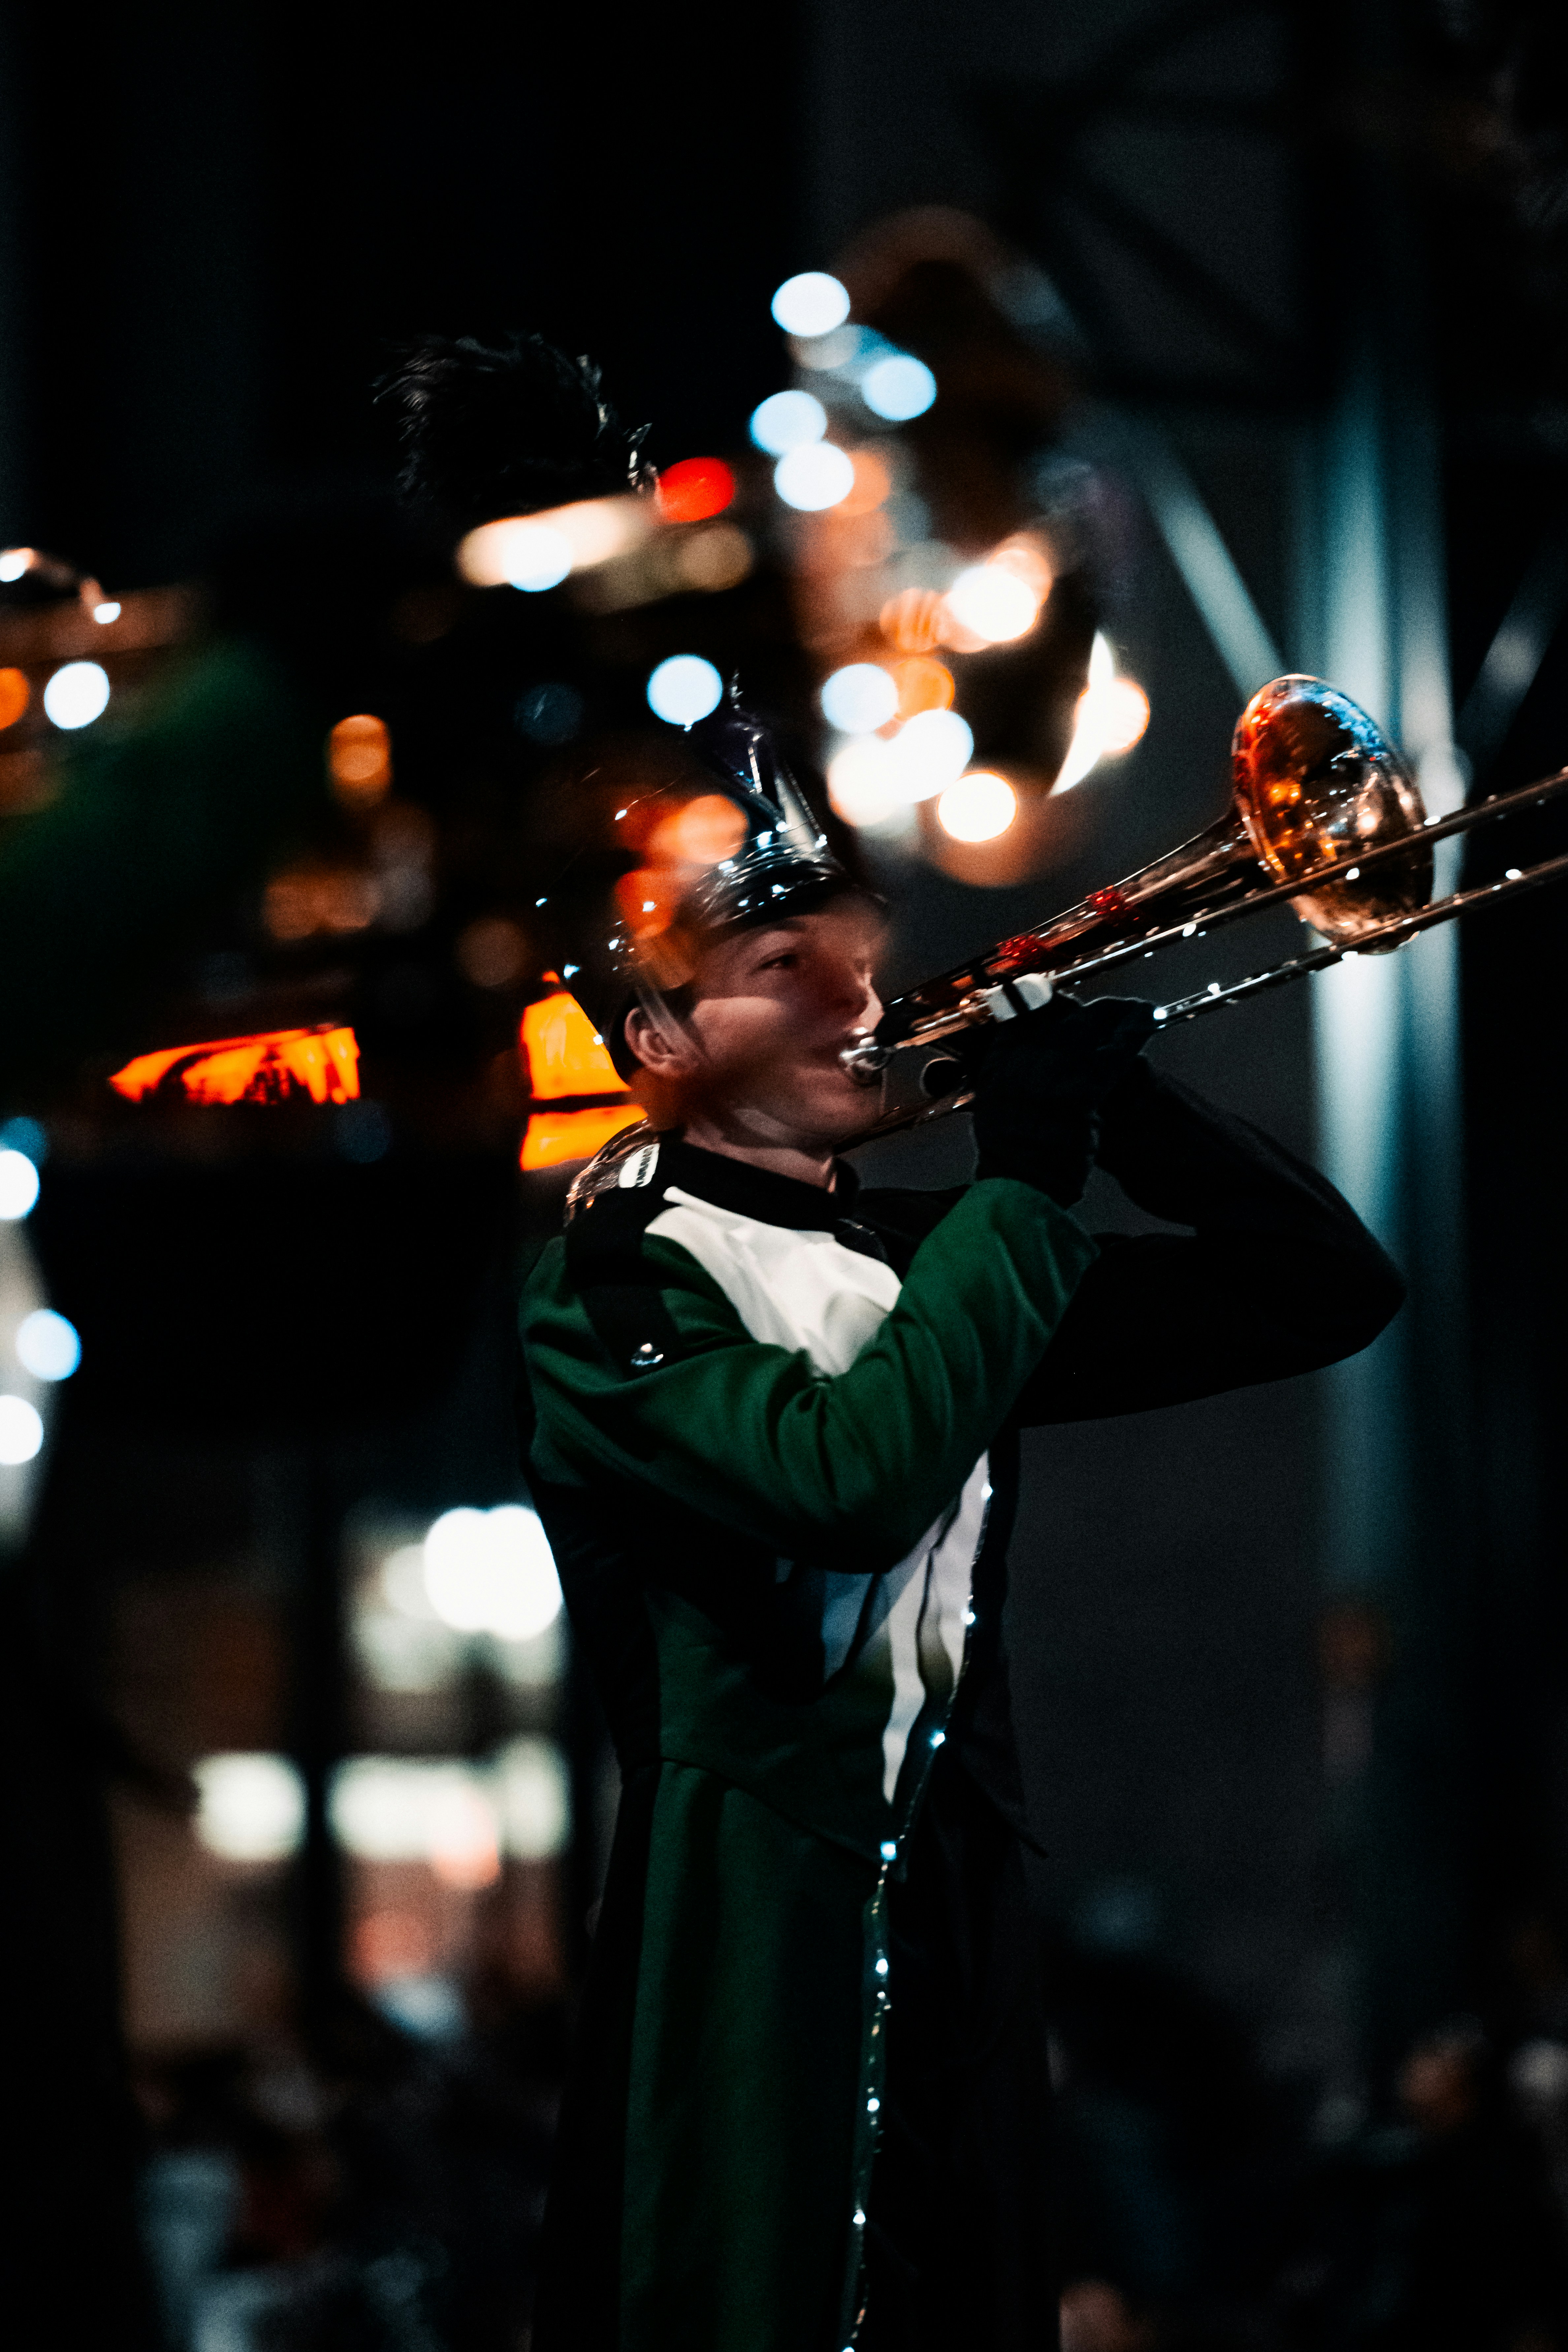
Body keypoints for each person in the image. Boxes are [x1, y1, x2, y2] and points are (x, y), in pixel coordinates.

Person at [516, 692, 1406, 2352]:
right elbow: (845, 1480)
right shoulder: (608, 1278)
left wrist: (1127, 1102)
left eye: (859, 956)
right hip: (751, 1894)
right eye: (792, 970)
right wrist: (1025, 1183)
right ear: (657, 1039)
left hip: (963, 1881)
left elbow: (1325, 1290)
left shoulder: (939, 1253)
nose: (862, 997)